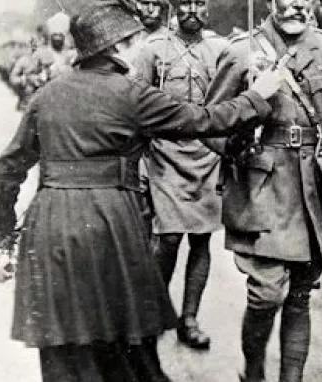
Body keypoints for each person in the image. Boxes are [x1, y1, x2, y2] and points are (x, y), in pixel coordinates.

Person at [0, 1, 283, 381]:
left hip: (48, 226)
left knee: (62, 342)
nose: (140, 46)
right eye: (134, 40)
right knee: (123, 334)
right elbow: (205, 120)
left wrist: (2, 231)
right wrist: (258, 95)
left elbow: (6, 171)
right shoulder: (131, 95)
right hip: (108, 221)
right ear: (115, 47)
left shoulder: (47, 96)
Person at [204, 0, 322, 380]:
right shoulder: (240, 52)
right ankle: (254, 371)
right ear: (269, 2)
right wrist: (235, 144)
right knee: (265, 294)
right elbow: (210, 122)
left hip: (316, 190)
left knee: (300, 296)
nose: (296, 4)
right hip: (261, 187)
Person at [134, 0, 229, 350]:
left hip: (207, 153)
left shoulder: (221, 51)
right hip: (164, 152)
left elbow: (231, 100)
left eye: (200, 3)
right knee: (169, 237)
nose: (192, 10)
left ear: (208, 9)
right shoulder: (152, 49)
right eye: (185, 2)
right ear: (173, 7)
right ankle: (155, 312)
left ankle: (189, 318)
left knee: (202, 239)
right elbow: (136, 103)